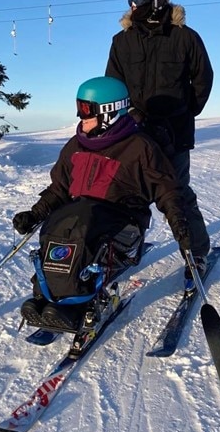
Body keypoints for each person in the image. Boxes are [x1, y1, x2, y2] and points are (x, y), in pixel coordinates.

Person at [12, 76, 193, 331]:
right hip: (85, 215)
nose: (80, 118)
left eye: (87, 111)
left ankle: (78, 302)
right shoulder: (76, 146)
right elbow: (60, 189)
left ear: (110, 112)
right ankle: (46, 293)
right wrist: (35, 215)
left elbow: (167, 190)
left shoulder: (139, 147)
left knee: (83, 229)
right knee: (56, 225)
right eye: (80, 109)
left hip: (124, 223)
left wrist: (178, 221)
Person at [105, 0, 213, 279]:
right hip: (134, 134)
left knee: (177, 194)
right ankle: (119, 251)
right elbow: (114, 84)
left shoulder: (185, 38)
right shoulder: (122, 41)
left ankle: (197, 255)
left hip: (174, 134)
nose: (132, 3)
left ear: (156, 0)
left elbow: (203, 80)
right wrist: (122, 122)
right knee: (124, 194)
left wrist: (184, 111)